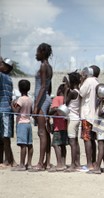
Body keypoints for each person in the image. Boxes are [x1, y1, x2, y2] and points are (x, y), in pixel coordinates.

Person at [31, 42, 53, 172]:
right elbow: (49, 87)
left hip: (41, 101)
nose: (36, 54)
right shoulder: (49, 67)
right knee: (45, 132)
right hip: (45, 99)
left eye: (38, 51)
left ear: (43, 52)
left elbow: (44, 86)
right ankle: (47, 162)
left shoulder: (44, 66)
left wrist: (36, 105)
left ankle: (40, 163)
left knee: (41, 132)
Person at [79, 65, 100, 171]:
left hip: (87, 114)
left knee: (87, 139)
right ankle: (94, 161)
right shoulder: (97, 82)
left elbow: (81, 93)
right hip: (94, 116)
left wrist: (82, 80)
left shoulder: (88, 81)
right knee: (92, 140)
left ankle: (89, 164)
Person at [88, 84, 104, 174]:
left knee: (100, 146)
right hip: (98, 126)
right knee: (101, 147)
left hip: (103, 127)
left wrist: (102, 101)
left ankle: (97, 167)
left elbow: (101, 112)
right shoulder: (99, 102)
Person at [11, 79, 33, 171]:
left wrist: (12, 104)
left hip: (21, 123)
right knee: (29, 144)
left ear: (20, 89)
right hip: (28, 123)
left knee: (23, 145)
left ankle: (22, 165)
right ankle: (29, 164)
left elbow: (16, 111)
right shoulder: (30, 99)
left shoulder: (20, 99)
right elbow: (31, 112)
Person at [0, 57, 16, 168]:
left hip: (4, 110)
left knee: (5, 137)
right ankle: (5, 160)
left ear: (6, 68)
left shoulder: (3, 77)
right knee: (3, 137)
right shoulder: (8, 78)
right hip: (4, 110)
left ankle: (8, 160)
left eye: (2, 64)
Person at [63, 71, 81, 172]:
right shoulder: (78, 91)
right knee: (75, 142)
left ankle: (73, 165)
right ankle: (76, 163)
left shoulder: (72, 92)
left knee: (72, 142)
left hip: (72, 118)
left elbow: (65, 103)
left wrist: (66, 91)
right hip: (76, 118)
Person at [49, 84, 68, 171]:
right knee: (63, 145)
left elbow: (53, 110)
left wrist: (49, 112)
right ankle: (63, 163)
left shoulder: (57, 98)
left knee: (55, 144)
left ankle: (59, 164)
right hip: (65, 126)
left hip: (58, 126)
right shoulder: (66, 100)